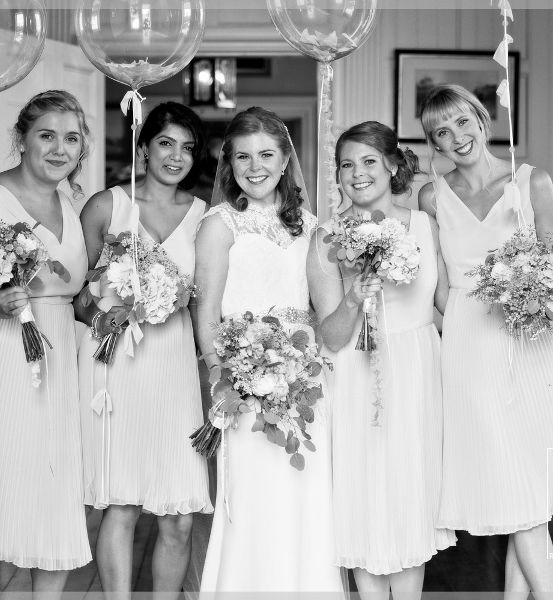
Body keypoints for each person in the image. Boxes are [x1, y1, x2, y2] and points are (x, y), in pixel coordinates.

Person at [195, 106, 344, 593]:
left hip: (305, 383)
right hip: (242, 384)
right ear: (229, 163)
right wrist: (223, 380)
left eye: (265, 155)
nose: (254, 167)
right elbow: (207, 310)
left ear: (285, 161)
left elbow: (327, 316)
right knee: (255, 497)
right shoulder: (220, 225)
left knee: (304, 496)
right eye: (243, 156)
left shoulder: (312, 228)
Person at [307, 121, 456, 600]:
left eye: (369, 161)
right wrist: (354, 295)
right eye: (347, 165)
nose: (358, 173)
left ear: (392, 165)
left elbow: (447, 302)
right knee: (363, 496)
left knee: (411, 496)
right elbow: (330, 336)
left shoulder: (427, 225)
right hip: (356, 372)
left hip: (418, 371)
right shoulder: (326, 237)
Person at [0, 90, 92, 597]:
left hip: (57, 361)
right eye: (46, 135)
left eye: (71, 139)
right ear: (21, 138)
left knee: (54, 489)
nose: (59, 149)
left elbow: (73, 296)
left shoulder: (71, 206)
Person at [418, 84, 553, 599]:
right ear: (434, 143)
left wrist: (529, 297)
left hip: (529, 344)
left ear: (481, 118)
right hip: (469, 348)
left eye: (462, 122)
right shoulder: (432, 197)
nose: (456, 137)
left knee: (529, 491)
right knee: (517, 490)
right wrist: (464, 328)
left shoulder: (532, 181)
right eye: (441, 131)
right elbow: (438, 287)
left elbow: (551, 262)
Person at [75, 101, 212, 600]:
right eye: (165, 143)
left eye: (187, 148)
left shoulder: (203, 217)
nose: (176, 156)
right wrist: (102, 313)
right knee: (123, 504)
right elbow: (75, 296)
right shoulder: (107, 206)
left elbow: (207, 303)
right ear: (144, 148)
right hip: (118, 368)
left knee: (179, 515)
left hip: (175, 369)